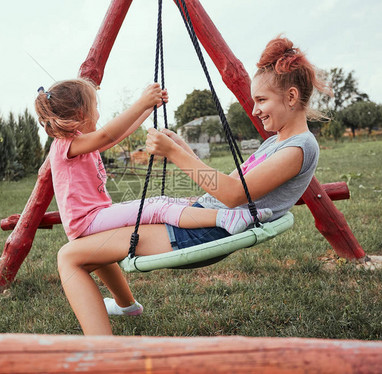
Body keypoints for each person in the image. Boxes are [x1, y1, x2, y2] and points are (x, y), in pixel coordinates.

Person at [55, 35, 330, 335]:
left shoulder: (299, 148)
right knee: (84, 248)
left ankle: (103, 352)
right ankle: (125, 306)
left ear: (291, 97)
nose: (254, 110)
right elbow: (227, 184)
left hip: (208, 232)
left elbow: (235, 193)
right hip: (204, 220)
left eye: (261, 100)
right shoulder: (278, 143)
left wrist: (174, 154)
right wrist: (183, 148)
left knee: (69, 256)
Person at [35, 79, 272, 244]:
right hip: (86, 221)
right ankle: (226, 218)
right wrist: (141, 102)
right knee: (155, 208)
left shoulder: (80, 142)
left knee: (159, 201)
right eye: (95, 107)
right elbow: (107, 134)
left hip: (95, 214)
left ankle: (127, 305)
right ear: (80, 114)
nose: (98, 114)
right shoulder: (66, 145)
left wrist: (149, 109)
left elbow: (117, 135)